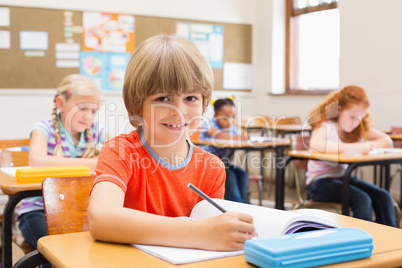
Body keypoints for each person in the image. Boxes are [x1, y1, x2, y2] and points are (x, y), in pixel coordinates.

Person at [88, 34, 256, 251]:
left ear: (204, 104)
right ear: (137, 106)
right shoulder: (120, 151)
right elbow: (101, 219)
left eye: (191, 98)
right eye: (163, 99)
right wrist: (200, 233)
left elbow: (214, 238)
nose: (179, 111)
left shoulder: (212, 168)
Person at [18, 74, 110, 253]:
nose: (89, 116)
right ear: (60, 103)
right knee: (54, 253)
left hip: (81, 212)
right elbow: (37, 162)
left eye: (93, 111)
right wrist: (91, 163)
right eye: (82, 108)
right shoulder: (43, 129)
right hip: (38, 211)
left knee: (96, 251)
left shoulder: (98, 131)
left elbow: (116, 160)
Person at [306, 85, 396, 227]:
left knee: (383, 196)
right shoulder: (326, 126)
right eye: (352, 117)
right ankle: (361, 243)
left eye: (360, 118)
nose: (355, 122)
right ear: (339, 109)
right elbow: (315, 145)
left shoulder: (355, 129)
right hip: (320, 183)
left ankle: (391, 243)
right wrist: (357, 147)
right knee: (362, 199)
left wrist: (369, 147)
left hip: (343, 177)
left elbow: (386, 141)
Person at [199, 98, 250, 203]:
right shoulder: (209, 124)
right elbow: (217, 134)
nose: (230, 121)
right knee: (229, 175)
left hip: (223, 163)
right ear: (215, 116)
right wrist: (240, 138)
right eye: (225, 118)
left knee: (242, 174)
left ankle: (242, 203)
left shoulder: (233, 128)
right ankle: (235, 205)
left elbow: (236, 141)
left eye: (233, 118)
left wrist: (244, 137)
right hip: (206, 164)